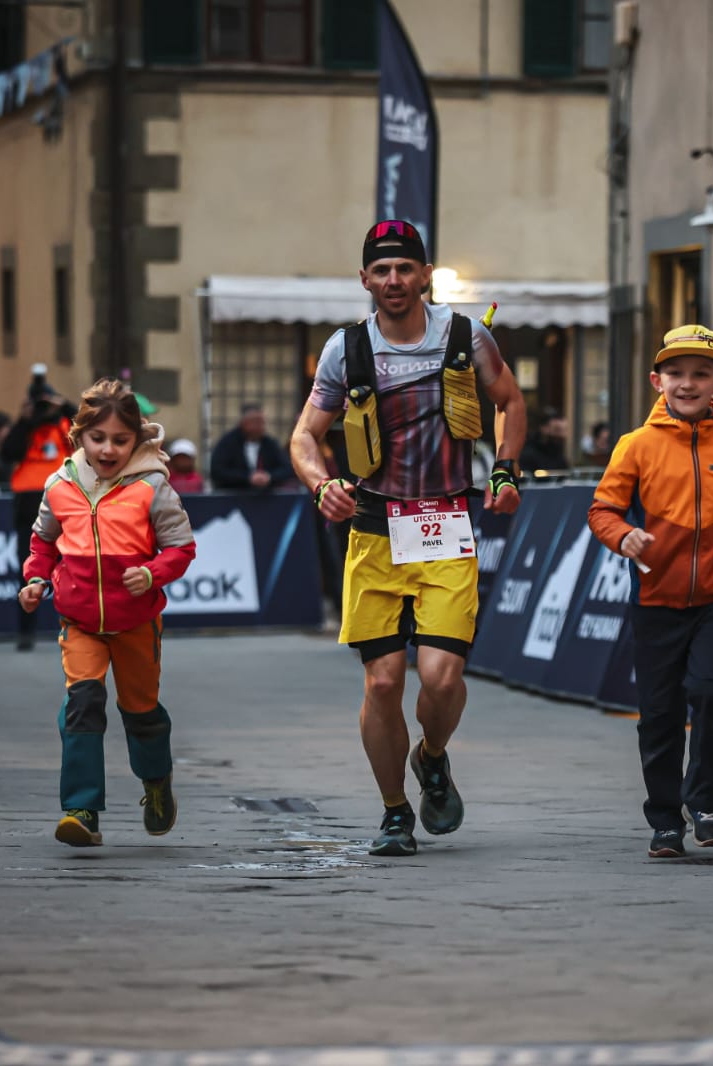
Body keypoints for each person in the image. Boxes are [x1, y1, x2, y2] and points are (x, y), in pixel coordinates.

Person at [290, 218, 527, 857]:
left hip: (447, 524)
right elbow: (305, 437)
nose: (393, 280)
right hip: (373, 532)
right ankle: (396, 810)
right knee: (384, 683)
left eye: (405, 268)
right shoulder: (346, 350)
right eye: (381, 270)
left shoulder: (464, 335)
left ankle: (432, 755)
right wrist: (321, 487)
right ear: (364, 280)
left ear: (425, 274)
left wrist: (505, 467)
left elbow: (509, 399)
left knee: (441, 678)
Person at [587, 324, 713, 858]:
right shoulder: (635, 445)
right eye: (676, 373)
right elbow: (602, 510)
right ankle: (665, 820)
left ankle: (704, 800)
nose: (688, 383)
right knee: (659, 713)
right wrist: (625, 537)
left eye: (701, 373)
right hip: (656, 600)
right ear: (656, 380)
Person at [18, 378, 197, 848]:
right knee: (82, 705)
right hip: (79, 622)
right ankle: (81, 810)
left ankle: (157, 782)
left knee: (141, 713)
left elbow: (181, 547)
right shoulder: (60, 485)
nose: (109, 449)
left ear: (136, 439)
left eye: (121, 439)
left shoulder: (152, 486)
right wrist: (36, 579)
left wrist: (153, 573)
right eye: (98, 438)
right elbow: (43, 542)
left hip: (136, 622)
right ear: (80, 437)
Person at [3, 366, 77, 651]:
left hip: (63, 504)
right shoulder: (26, 429)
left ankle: (76, 628)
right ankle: (26, 632)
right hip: (29, 507)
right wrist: (24, 421)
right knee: (30, 570)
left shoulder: (63, 426)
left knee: (72, 569)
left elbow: (90, 431)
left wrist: (64, 405)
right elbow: (7, 452)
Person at [210, 404, 294, 491]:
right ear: (244, 423)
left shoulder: (269, 444)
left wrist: (269, 477)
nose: (261, 426)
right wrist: (247, 477)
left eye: (262, 422)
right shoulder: (228, 443)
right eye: (256, 422)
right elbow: (218, 471)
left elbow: (287, 468)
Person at [519, 406, 571, 472]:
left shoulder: (558, 454)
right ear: (543, 428)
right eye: (557, 430)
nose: (562, 435)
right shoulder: (528, 454)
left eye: (565, 430)